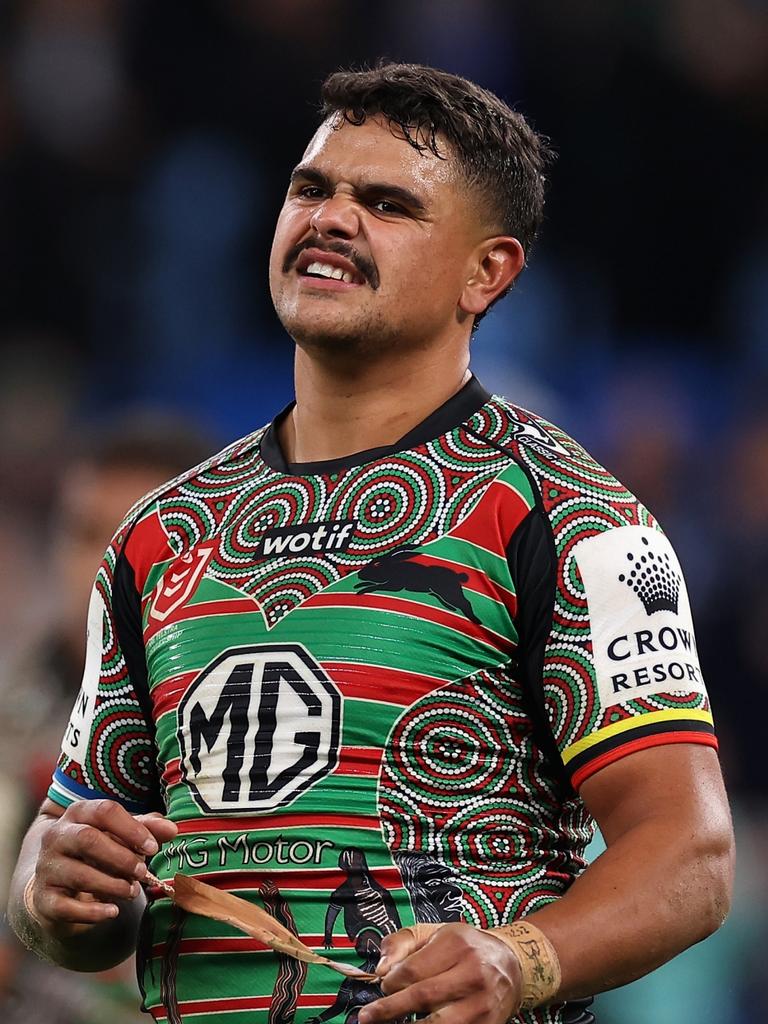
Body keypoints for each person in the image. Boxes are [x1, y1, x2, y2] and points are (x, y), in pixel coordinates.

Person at [7, 63, 734, 1024]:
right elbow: (72, 861)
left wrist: (523, 958)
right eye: (312, 189)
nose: (332, 217)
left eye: (387, 202)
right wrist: (53, 890)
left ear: (490, 271)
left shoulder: (569, 514)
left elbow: (690, 852)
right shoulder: (160, 532)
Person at [0, 414, 214, 1024]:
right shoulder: (6, 724)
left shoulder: (238, 731)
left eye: (138, 539)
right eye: (83, 532)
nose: (102, 565)